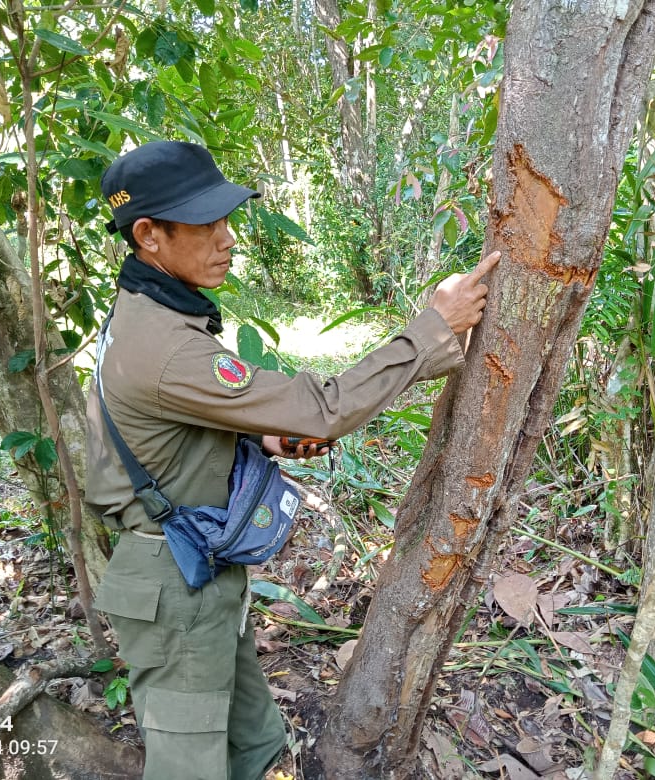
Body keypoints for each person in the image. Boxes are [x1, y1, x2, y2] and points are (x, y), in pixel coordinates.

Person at [85, 140, 500, 780]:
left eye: (227, 219)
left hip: (198, 567)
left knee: (252, 743)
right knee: (188, 765)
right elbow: (321, 408)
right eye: (205, 224)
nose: (227, 239)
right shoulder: (164, 345)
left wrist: (258, 439)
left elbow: (154, 430)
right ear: (149, 235)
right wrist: (431, 330)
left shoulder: (147, 310)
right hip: (174, 584)